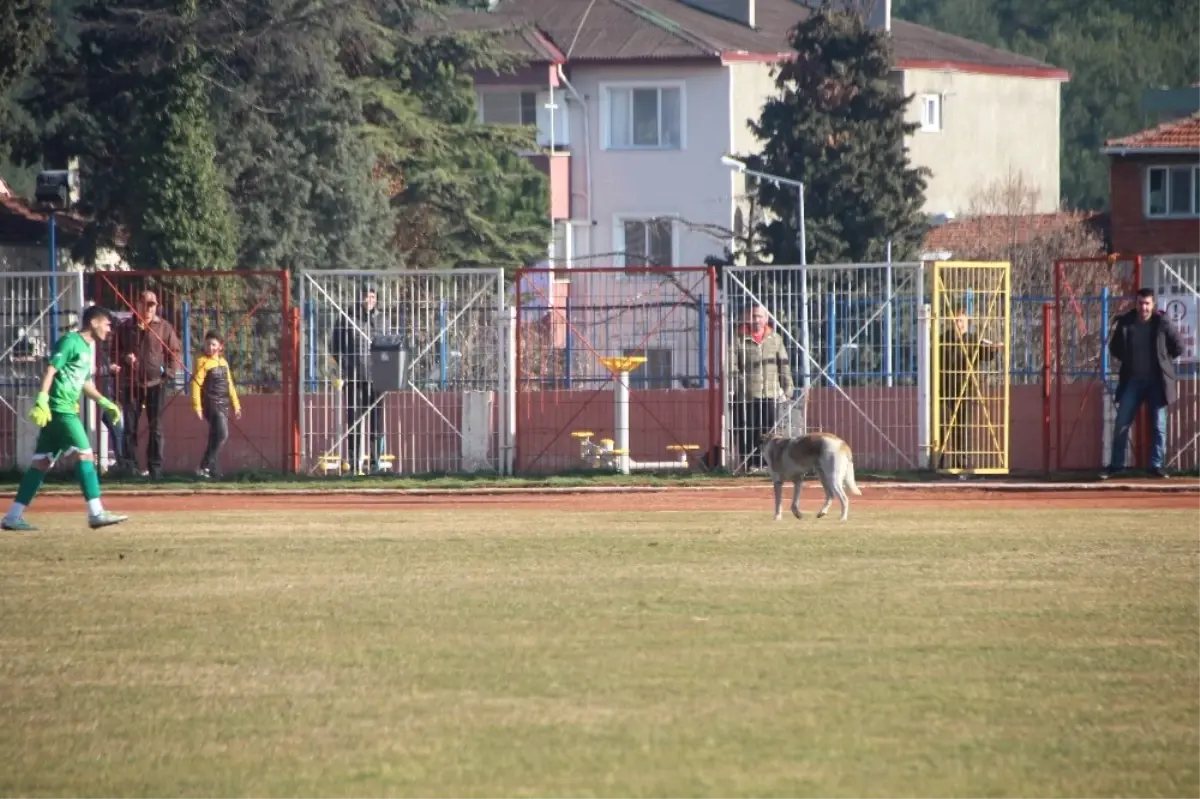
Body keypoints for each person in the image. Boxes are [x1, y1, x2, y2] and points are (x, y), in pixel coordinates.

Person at [2, 306, 127, 531]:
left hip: (62, 411)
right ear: (94, 322)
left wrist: (104, 402)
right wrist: (41, 398)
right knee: (86, 455)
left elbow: (84, 382)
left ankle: (13, 516)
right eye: (108, 324)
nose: (110, 330)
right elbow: (51, 369)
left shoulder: (89, 348)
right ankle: (96, 512)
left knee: (40, 464)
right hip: (60, 410)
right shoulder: (70, 341)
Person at [1102, 287, 1183, 479]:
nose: (1143, 307)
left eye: (1147, 303)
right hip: (1133, 380)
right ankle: (1116, 466)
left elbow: (1178, 345)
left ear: (1153, 305)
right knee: (1122, 422)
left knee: (1159, 424)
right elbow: (1115, 348)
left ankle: (1156, 466)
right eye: (1140, 303)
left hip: (1157, 381)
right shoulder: (1127, 322)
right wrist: (1128, 360)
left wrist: (1163, 359)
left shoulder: (1161, 322)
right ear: (1136, 303)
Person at [112, 290, 181, 479]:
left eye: (152, 306)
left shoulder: (164, 327)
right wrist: (124, 358)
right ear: (137, 304)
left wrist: (169, 371)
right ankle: (130, 467)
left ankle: (155, 468)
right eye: (145, 305)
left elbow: (174, 352)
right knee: (130, 427)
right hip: (132, 383)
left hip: (155, 383)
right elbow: (114, 351)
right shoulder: (126, 327)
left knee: (156, 427)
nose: (149, 309)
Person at [728, 304, 794, 470]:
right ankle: (749, 464)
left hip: (770, 393)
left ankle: (766, 464)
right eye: (753, 316)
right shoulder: (738, 338)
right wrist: (739, 383)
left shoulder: (776, 339)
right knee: (747, 429)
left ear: (766, 319)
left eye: (759, 316)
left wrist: (788, 388)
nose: (756, 319)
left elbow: (784, 365)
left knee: (768, 430)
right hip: (747, 395)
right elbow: (730, 365)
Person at [938, 310, 1003, 471]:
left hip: (966, 390)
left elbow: (985, 354)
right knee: (941, 426)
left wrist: (994, 349)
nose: (957, 324)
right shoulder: (943, 339)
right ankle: (938, 463)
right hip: (945, 390)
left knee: (963, 427)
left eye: (961, 321)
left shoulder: (973, 340)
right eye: (955, 320)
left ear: (968, 323)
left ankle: (962, 464)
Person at [330, 283, 384, 474]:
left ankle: (375, 462)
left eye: (372, 296)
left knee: (377, 421)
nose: (369, 300)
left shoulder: (380, 319)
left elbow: (388, 345)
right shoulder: (346, 318)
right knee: (354, 419)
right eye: (365, 296)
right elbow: (335, 347)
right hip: (353, 377)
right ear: (359, 297)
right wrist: (342, 369)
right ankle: (354, 462)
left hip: (377, 377)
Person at [190, 330, 242, 479]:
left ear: (220, 347)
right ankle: (203, 465)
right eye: (207, 344)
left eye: (213, 345)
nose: (210, 348)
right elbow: (196, 384)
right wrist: (197, 406)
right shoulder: (202, 361)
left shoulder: (223, 362)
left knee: (215, 436)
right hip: (211, 403)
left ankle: (213, 471)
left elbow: (230, 384)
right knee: (223, 435)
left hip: (224, 403)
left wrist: (236, 405)